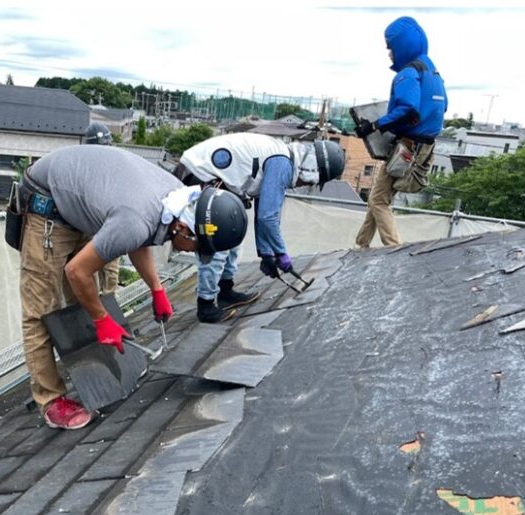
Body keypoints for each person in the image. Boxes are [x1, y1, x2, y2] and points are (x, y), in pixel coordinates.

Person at [18, 145, 247, 429]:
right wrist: (102, 320)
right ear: (185, 229)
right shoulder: (136, 218)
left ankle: (97, 374)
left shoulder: (177, 198)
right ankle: (50, 400)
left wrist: (156, 289)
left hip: (81, 201)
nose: (191, 253)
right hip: (47, 202)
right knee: (42, 309)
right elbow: (77, 271)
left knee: (87, 298)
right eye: (197, 248)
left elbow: (139, 239)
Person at [174, 133, 345, 322]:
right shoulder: (282, 163)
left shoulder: (282, 158)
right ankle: (205, 306)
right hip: (199, 175)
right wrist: (280, 253)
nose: (302, 184)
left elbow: (263, 211)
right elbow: (267, 217)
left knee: (233, 233)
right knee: (219, 242)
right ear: (311, 170)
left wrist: (266, 253)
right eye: (309, 182)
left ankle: (226, 291)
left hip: (216, 180)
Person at [354, 16, 447, 248]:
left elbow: (408, 109)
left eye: (391, 48)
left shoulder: (407, 73)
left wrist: (375, 125)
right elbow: (443, 107)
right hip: (424, 146)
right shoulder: (433, 72)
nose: (390, 54)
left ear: (402, 45)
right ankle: (361, 244)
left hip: (407, 146)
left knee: (377, 200)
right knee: (379, 197)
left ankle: (394, 249)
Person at [83, 122, 119, 294]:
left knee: (111, 272)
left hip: (110, 224)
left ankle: (109, 305)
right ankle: (93, 308)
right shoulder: (82, 167)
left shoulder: (115, 166)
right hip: (87, 225)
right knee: (88, 269)